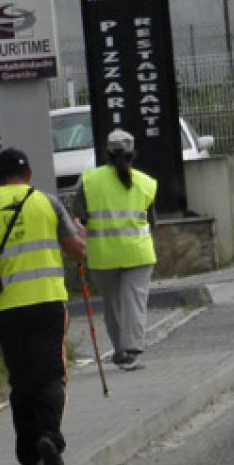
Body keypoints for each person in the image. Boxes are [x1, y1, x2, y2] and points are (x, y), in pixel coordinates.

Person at [0, 148, 87, 465]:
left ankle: (28, 454)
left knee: (21, 379)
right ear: (29, 173)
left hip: (5, 310)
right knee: (50, 374)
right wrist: (81, 237)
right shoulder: (47, 202)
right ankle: (48, 435)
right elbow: (76, 252)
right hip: (47, 302)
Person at [73, 128, 157, 372]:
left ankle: (120, 350)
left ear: (106, 153)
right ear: (134, 153)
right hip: (138, 253)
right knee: (134, 302)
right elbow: (152, 222)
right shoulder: (146, 183)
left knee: (112, 303)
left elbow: (79, 216)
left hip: (103, 255)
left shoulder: (88, 180)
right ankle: (131, 351)